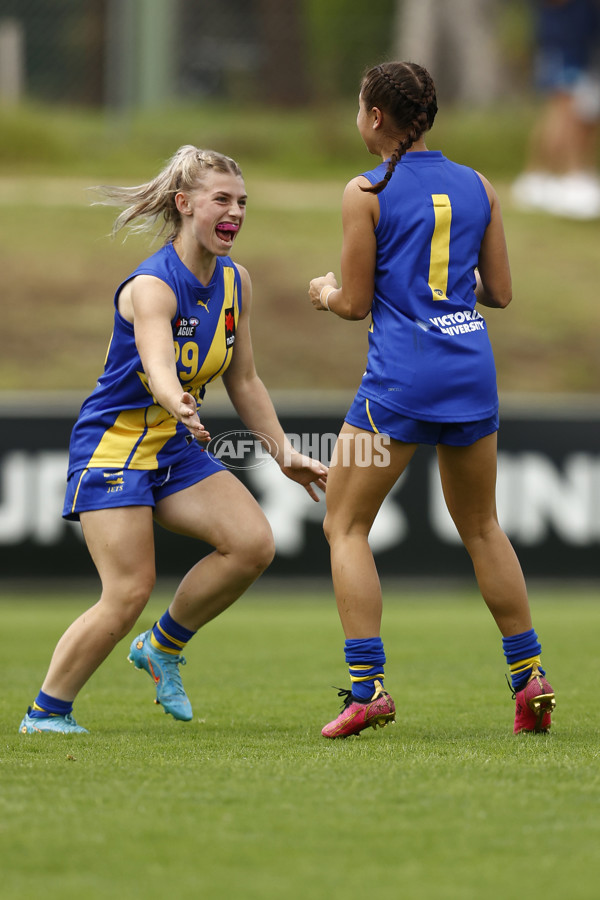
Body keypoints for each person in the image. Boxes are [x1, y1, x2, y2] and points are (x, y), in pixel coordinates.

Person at [19, 145, 327, 735]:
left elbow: (245, 379)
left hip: (171, 445)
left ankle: (162, 647)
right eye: (221, 200)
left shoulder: (237, 283)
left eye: (241, 202)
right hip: (115, 445)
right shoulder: (152, 285)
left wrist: (283, 452)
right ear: (185, 205)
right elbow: (158, 362)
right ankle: (46, 713)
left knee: (252, 544)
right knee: (128, 589)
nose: (234, 211)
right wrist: (174, 397)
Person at [308, 62, 555, 739]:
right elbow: (499, 291)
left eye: (360, 107)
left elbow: (357, 304)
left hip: (398, 383)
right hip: (471, 373)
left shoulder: (366, 190)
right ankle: (530, 677)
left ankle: (368, 690)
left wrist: (324, 293)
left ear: (376, 117)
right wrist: (440, 288)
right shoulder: (478, 185)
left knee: (345, 526)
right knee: (482, 527)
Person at [512, 0, 600, 219]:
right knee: (563, 111)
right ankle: (554, 176)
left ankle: (571, 177)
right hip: (562, 42)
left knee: (586, 115)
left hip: (586, 45)